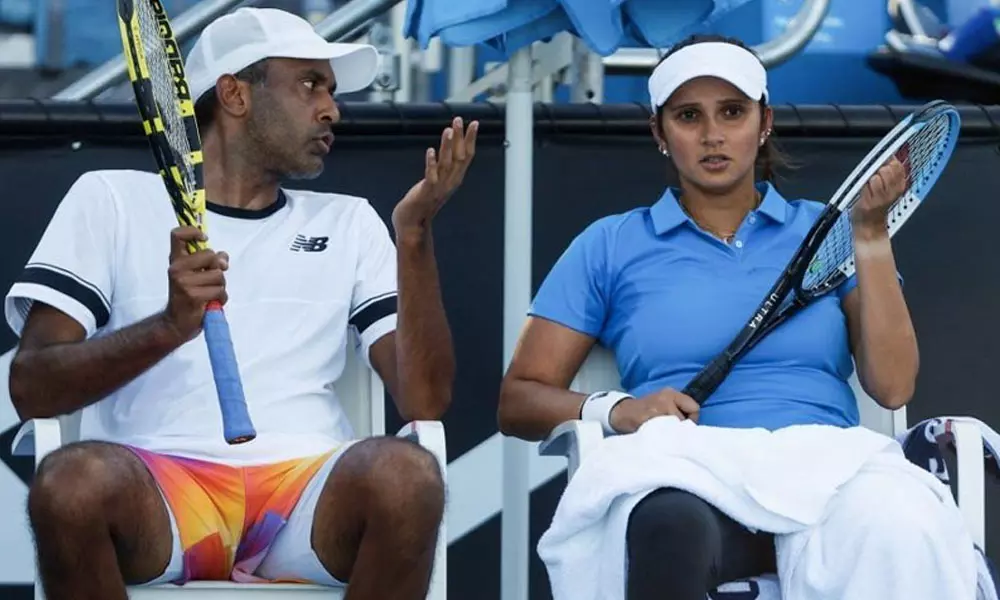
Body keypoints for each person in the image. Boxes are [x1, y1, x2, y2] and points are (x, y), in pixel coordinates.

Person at [6, 7, 476, 600]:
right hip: (159, 494)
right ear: (235, 95)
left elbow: (424, 403)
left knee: (408, 475)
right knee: (70, 485)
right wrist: (168, 327)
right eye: (310, 84)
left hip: (306, 499)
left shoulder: (351, 221)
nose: (331, 109)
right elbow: (33, 387)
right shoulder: (109, 199)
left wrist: (414, 236)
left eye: (330, 90)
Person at [498, 34, 974, 599]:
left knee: (905, 523)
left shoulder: (831, 231)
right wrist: (619, 410)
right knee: (669, 527)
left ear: (763, 122)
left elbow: (893, 386)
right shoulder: (608, 244)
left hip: (829, 471)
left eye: (732, 112)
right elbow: (518, 399)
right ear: (659, 132)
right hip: (686, 469)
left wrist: (869, 235)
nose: (712, 135)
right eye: (688, 116)